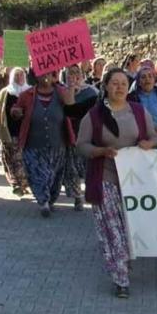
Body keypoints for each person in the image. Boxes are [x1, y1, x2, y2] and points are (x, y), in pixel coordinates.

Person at [76, 68, 157, 298]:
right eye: (114, 83)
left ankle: (124, 261)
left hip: (134, 182)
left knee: (128, 228)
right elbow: (81, 145)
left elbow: (154, 136)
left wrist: (149, 144)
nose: (120, 87)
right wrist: (100, 150)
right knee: (112, 230)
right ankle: (120, 277)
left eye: (124, 83)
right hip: (105, 178)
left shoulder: (140, 112)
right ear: (106, 86)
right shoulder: (94, 116)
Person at [12, 70, 88, 217]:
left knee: (54, 176)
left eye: (47, 74)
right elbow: (16, 108)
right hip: (33, 144)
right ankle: (43, 202)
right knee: (38, 173)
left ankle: (51, 199)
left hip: (58, 144)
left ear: (53, 76)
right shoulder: (27, 94)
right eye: (41, 74)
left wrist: (71, 87)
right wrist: (16, 111)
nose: (44, 77)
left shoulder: (60, 92)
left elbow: (70, 103)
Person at [0, 67, 31, 196]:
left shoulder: (30, 92)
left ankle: (23, 183)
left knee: (23, 159)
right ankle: (16, 183)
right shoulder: (5, 92)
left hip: (26, 132)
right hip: (9, 132)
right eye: (16, 75)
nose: (19, 78)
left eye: (21, 75)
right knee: (10, 158)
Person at [60, 64, 99, 210]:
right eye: (71, 72)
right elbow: (69, 108)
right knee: (72, 168)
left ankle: (91, 193)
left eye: (77, 72)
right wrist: (71, 88)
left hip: (88, 135)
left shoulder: (91, 91)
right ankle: (77, 196)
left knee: (88, 168)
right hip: (70, 134)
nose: (74, 75)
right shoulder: (62, 90)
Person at [127, 62, 157, 134]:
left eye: (150, 76)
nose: (147, 79)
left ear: (154, 80)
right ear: (139, 82)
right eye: (143, 77)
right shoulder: (132, 98)